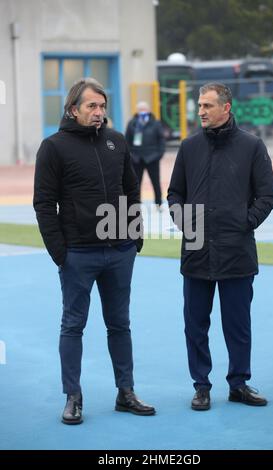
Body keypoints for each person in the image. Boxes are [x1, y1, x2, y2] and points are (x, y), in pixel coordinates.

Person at [33, 78, 155, 424]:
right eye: (92, 106)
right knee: (73, 325)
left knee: (120, 324)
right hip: (78, 254)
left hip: (120, 251)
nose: (99, 112)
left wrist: (135, 237)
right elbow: (44, 204)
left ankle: (126, 392)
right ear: (74, 109)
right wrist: (61, 253)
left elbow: (132, 190)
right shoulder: (53, 147)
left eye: (102, 106)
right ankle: (73, 396)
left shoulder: (116, 141)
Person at [167, 82, 273, 411]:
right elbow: (174, 194)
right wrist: (187, 224)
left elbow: (268, 194)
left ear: (226, 108)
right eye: (199, 106)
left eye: (206, 106)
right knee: (195, 323)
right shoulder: (189, 147)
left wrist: (245, 222)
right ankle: (201, 386)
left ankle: (239, 384)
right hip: (197, 251)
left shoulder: (252, 146)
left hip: (237, 253)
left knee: (237, 323)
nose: (200, 111)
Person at [125, 101, 165, 209]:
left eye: (144, 109)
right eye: (140, 110)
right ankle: (136, 204)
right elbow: (126, 141)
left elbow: (161, 140)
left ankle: (158, 203)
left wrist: (159, 154)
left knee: (155, 182)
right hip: (136, 158)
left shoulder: (155, 123)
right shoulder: (132, 123)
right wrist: (131, 155)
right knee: (135, 183)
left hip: (152, 158)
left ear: (148, 110)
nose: (142, 112)